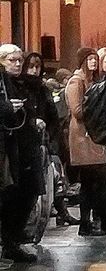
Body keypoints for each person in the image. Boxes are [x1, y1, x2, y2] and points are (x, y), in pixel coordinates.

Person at [21, 52, 77, 228]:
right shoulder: (20, 87)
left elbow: (53, 116)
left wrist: (54, 142)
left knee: (55, 177)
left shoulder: (43, 89)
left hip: (46, 141)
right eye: (31, 66)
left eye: (38, 66)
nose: (35, 70)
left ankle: (61, 212)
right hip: (28, 142)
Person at [0, 44, 41, 262]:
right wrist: (7, 108)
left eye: (19, 60)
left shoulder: (24, 83)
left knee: (28, 193)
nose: (17, 64)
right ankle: (9, 241)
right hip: (9, 148)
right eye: (11, 60)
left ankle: (13, 240)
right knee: (10, 196)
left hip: (26, 146)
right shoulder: (3, 84)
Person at [66, 47, 106, 236]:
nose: (93, 62)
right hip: (83, 137)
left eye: (95, 59)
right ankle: (85, 223)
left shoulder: (94, 81)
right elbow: (77, 111)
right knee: (89, 182)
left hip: (94, 136)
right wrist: (98, 109)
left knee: (97, 182)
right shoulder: (76, 82)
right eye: (89, 59)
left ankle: (94, 221)